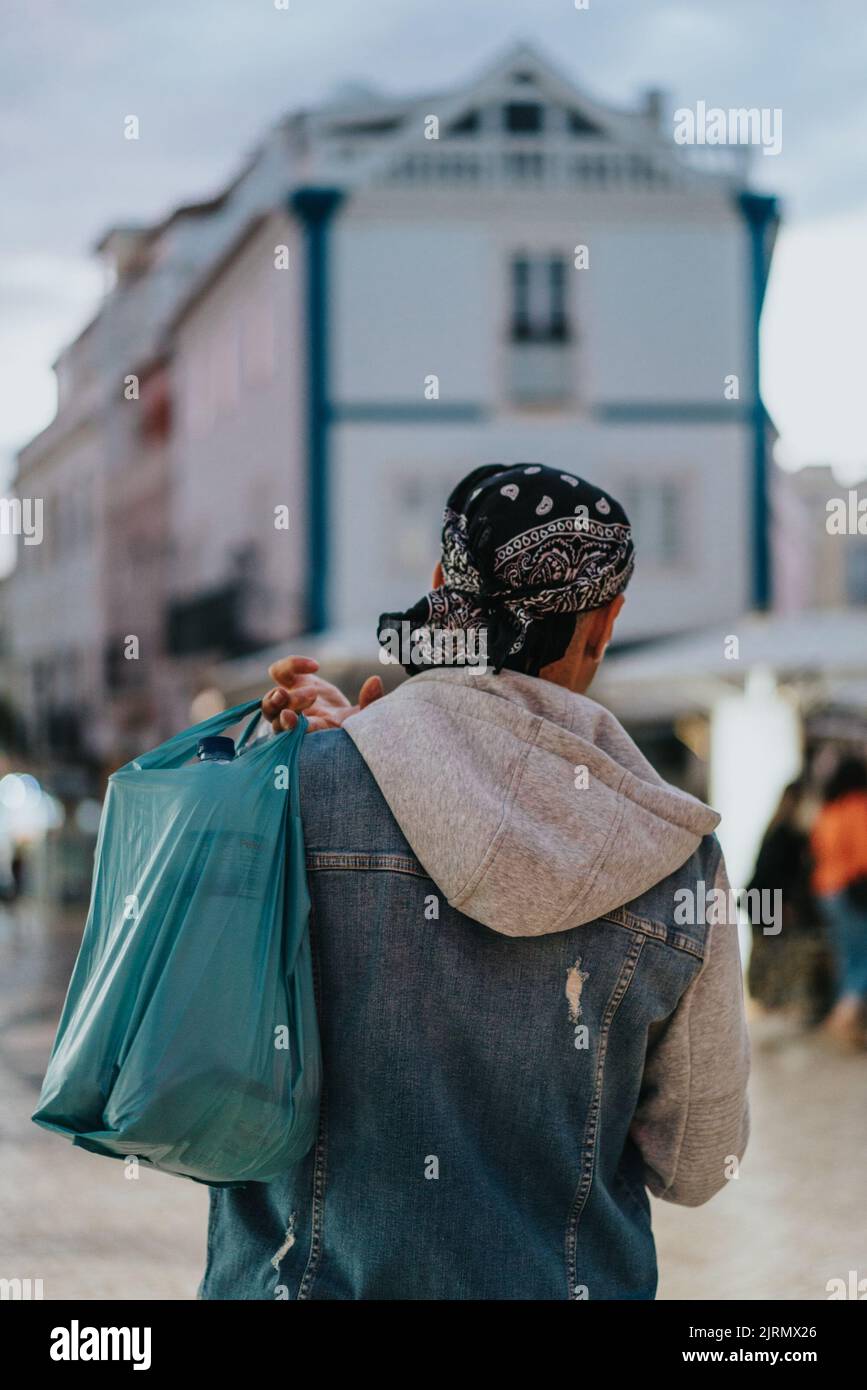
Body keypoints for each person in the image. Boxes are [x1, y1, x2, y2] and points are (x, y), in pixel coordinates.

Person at [200, 463, 749, 1301]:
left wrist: (335, 760)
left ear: (438, 588)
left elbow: (197, 1080)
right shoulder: (679, 859)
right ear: (602, 625)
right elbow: (699, 1162)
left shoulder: (293, 792)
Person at [746, 780, 832, 1025]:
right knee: (777, 959)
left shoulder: (778, 829)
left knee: (769, 958)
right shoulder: (787, 835)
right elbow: (774, 875)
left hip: (761, 902)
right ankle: (774, 1012)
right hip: (768, 902)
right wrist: (784, 905)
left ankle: (771, 1010)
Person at [811, 756, 867, 1049]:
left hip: (825, 891)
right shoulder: (857, 805)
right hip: (851, 890)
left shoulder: (828, 809)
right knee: (863, 956)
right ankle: (845, 1016)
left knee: (846, 955)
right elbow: (864, 855)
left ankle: (845, 1017)